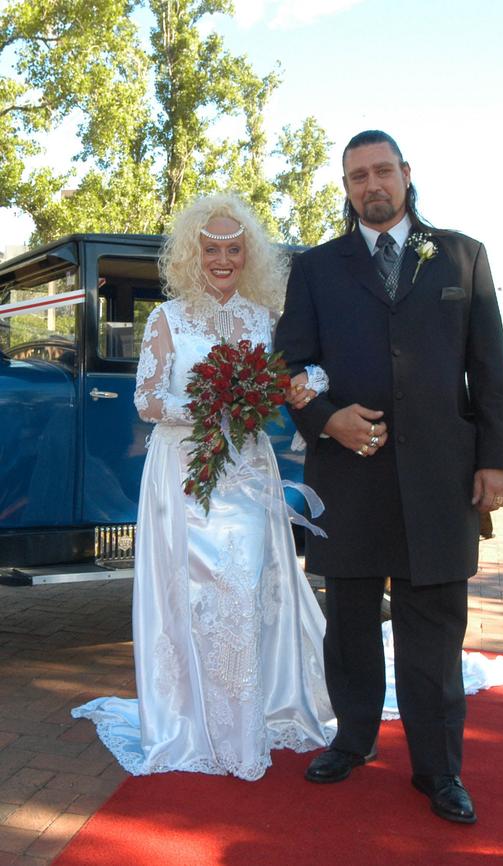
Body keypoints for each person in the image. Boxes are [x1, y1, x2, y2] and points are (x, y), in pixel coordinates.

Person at [275, 130, 503, 824]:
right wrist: (325, 419)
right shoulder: (317, 268)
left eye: (382, 171)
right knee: (347, 621)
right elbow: (290, 364)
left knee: (434, 631)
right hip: (347, 475)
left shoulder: (462, 256)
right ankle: (351, 742)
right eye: (357, 177)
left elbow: (490, 368)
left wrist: (495, 460)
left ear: (406, 175)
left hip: (441, 478)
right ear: (346, 188)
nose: (371, 185)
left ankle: (439, 769)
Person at [72, 193, 335, 781]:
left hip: (245, 469)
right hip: (182, 472)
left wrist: (300, 385)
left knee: (241, 580)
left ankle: (250, 716)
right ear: (193, 252)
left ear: (249, 254)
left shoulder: (265, 318)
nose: (222, 258)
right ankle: (192, 717)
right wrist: (207, 404)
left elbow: (303, 372)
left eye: (233, 249)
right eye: (211, 248)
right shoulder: (167, 317)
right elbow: (145, 398)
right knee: (189, 593)